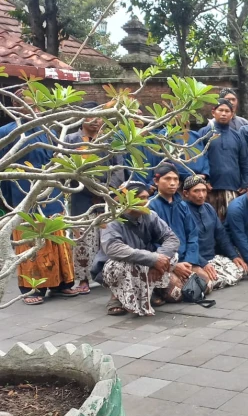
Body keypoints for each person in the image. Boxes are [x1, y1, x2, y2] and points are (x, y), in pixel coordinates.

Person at [2, 115, 79, 305]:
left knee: (57, 239)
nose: (33, 110)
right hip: (22, 193)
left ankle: (61, 283)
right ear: (16, 106)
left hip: (51, 193)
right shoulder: (7, 132)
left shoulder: (49, 130)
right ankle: (30, 288)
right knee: (29, 242)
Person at [92, 181, 179, 316]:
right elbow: (114, 249)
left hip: (145, 262)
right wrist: (152, 258)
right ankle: (116, 296)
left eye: (146, 197)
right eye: (141, 198)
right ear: (127, 200)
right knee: (120, 264)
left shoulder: (150, 215)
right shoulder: (111, 219)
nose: (145, 202)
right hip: (116, 265)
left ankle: (149, 291)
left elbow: (172, 238)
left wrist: (158, 260)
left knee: (172, 256)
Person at [64, 101, 109, 295]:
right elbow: (65, 170)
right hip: (80, 198)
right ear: (82, 118)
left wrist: (104, 191)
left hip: (106, 198)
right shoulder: (70, 139)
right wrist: (87, 189)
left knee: (106, 239)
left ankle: (105, 275)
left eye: (99, 117)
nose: (96, 121)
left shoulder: (108, 139)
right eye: (91, 116)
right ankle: (83, 278)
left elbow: (118, 169)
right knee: (82, 240)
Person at [148, 163, 202, 302]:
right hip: (163, 261)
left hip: (185, 259)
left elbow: (192, 235)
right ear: (156, 181)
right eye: (167, 179)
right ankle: (152, 290)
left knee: (206, 283)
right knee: (177, 294)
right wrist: (173, 265)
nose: (172, 183)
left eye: (176, 179)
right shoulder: (150, 206)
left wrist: (189, 260)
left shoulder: (182, 205)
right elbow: (149, 242)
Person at [183, 175, 248, 290]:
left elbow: (221, 235)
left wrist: (233, 256)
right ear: (186, 193)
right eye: (196, 191)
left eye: (203, 190)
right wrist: (202, 263)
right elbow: (182, 243)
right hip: (194, 260)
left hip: (212, 258)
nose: (201, 195)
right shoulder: (182, 211)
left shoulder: (208, 208)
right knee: (207, 282)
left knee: (242, 267)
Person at [196, 99, 248, 221]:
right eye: (221, 110)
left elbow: (244, 161)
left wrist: (245, 183)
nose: (224, 114)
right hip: (210, 188)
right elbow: (198, 159)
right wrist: (204, 181)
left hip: (233, 187)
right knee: (211, 221)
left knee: (231, 222)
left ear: (232, 114)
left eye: (227, 111)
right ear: (213, 112)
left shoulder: (237, 136)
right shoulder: (204, 133)